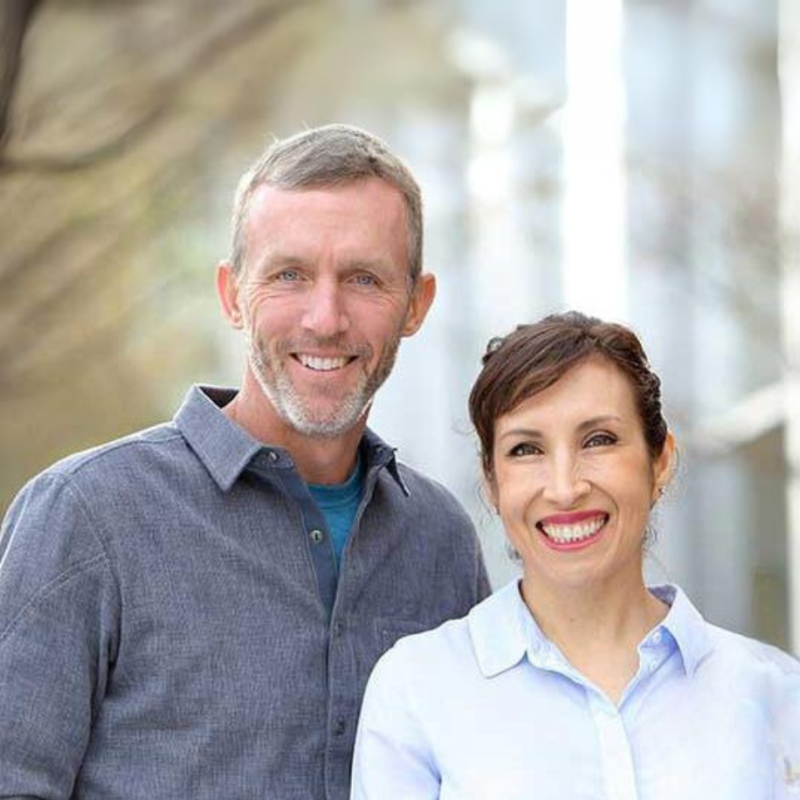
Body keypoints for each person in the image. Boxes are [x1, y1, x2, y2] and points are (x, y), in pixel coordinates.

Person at [0, 124, 490, 800]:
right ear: (232, 294)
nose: (325, 319)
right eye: (289, 275)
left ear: (416, 304)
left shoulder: (441, 543)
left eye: (364, 278)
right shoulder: (86, 516)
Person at [351, 311, 800, 799]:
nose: (564, 489)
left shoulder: (775, 693)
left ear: (660, 461)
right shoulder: (417, 689)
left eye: (598, 440)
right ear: (492, 481)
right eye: (526, 449)